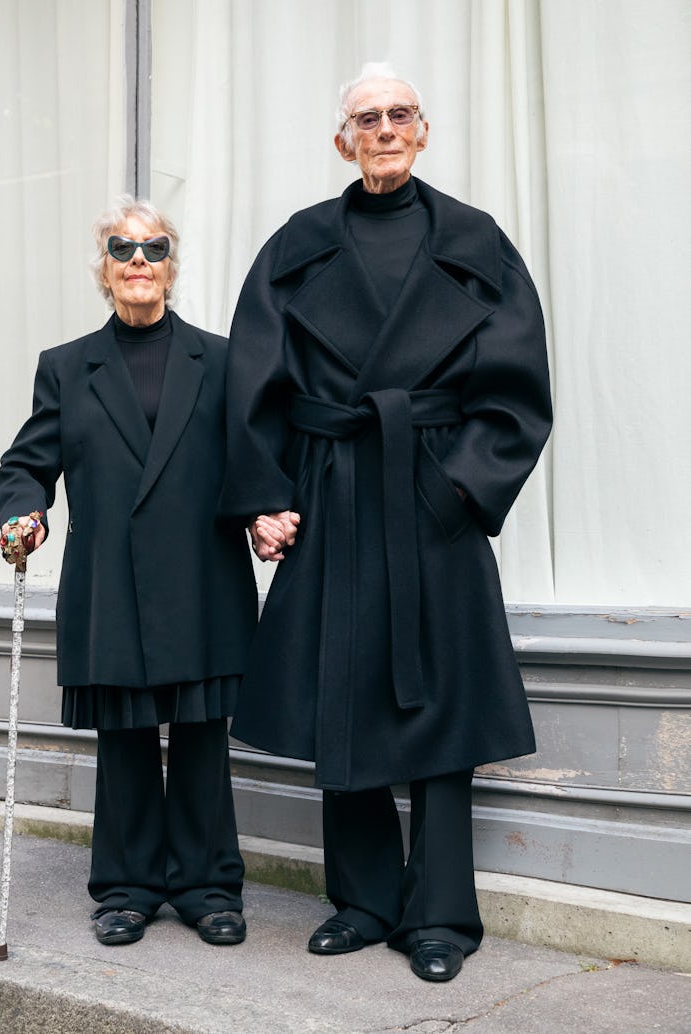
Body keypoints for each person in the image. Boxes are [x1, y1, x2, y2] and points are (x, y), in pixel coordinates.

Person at [220, 64, 553, 982]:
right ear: (342, 140)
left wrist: (457, 489)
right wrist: (266, 496)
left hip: (433, 499)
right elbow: (253, 379)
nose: (384, 129)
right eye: (366, 118)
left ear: (425, 128)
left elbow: (518, 390)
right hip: (331, 492)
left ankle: (442, 914)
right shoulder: (297, 245)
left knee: (444, 706)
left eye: (399, 113)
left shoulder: (477, 241)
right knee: (345, 697)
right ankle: (363, 900)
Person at [0, 197, 257, 948]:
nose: (138, 262)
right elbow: (26, 464)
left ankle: (208, 887)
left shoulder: (222, 357)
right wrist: (24, 512)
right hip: (111, 579)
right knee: (127, 739)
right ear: (103, 271)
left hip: (203, 575)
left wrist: (271, 511)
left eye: (153, 249)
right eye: (122, 250)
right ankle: (127, 888)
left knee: (204, 738)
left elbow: (252, 458)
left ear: (172, 267)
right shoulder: (68, 367)